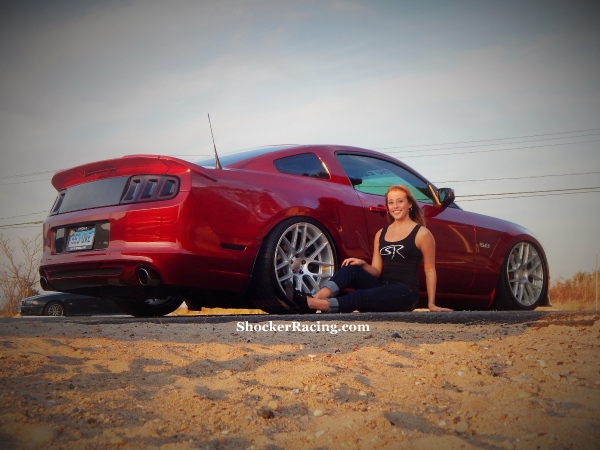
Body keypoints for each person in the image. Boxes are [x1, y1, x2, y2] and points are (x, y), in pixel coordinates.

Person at [291, 184, 453, 313]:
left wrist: (431, 304)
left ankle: (314, 304)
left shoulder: (422, 233)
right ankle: (315, 297)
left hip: (404, 293)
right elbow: (376, 271)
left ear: (409, 204)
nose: (395, 206)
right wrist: (362, 263)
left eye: (400, 201)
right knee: (351, 268)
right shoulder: (381, 234)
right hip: (382, 287)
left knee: (359, 296)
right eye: (391, 202)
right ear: (387, 207)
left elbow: (430, 270)